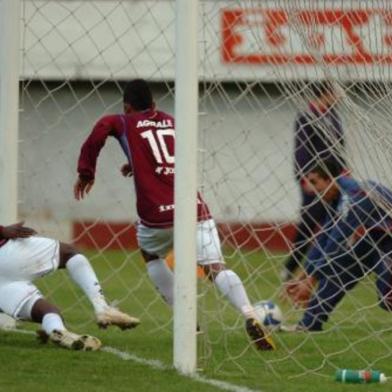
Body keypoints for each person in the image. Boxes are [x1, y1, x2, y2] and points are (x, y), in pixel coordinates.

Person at [74, 79, 275, 350]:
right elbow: (168, 156)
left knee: (151, 255)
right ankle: (250, 313)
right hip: (193, 209)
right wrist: (137, 165)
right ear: (155, 105)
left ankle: (188, 321)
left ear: (126, 106)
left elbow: (101, 129)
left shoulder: (121, 121)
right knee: (215, 267)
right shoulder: (171, 121)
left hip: (157, 216)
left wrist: (86, 172)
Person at [284, 161, 392, 331]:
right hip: (375, 240)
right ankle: (309, 323)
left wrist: (311, 281)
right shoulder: (336, 199)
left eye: (314, 182)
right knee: (337, 271)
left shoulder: (357, 195)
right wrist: (302, 277)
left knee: (387, 296)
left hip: (387, 242)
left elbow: (337, 241)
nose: (311, 190)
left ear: (331, 180)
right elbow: (324, 239)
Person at [0, 221, 140, 350]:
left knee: (46, 312)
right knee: (69, 254)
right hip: (6, 255)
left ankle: (57, 330)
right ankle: (102, 308)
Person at [282, 81, 346, 282]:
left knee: (337, 222)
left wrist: (344, 171)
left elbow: (339, 148)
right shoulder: (306, 117)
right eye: (335, 92)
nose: (339, 96)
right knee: (309, 224)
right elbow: (301, 151)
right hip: (314, 182)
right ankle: (291, 267)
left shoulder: (333, 116)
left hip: (335, 180)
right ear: (326, 93)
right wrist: (305, 179)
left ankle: (330, 268)